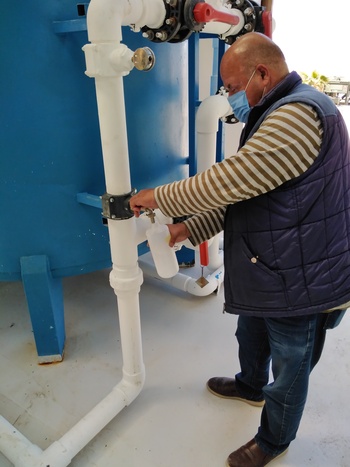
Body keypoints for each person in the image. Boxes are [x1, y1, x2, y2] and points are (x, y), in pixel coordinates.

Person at [129, 32, 350, 467]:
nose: (229, 98)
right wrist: (188, 230)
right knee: (250, 332)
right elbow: (248, 197)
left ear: (262, 73)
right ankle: (250, 384)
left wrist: (157, 198)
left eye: (231, 87)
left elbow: (229, 180)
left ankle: (273, 441)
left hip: (303, 276)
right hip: (273, 264)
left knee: (289, 368)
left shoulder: (300, 113)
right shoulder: (272, 111)